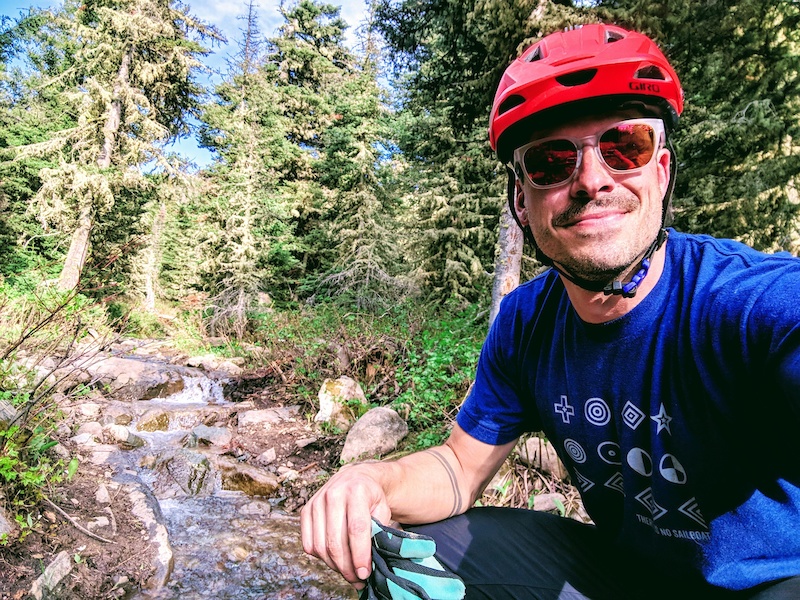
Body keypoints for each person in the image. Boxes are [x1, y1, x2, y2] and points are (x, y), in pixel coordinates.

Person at [301, 23, 800, 599]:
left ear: (660, 171)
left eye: (624, 146)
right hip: (627, 577)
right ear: (522, 200)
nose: (591, 180)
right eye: (549, 162)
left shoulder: (742, 302)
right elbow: (460, 470)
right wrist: (369, 477)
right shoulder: (526, 322)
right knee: (413, 564)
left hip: (774, 582)